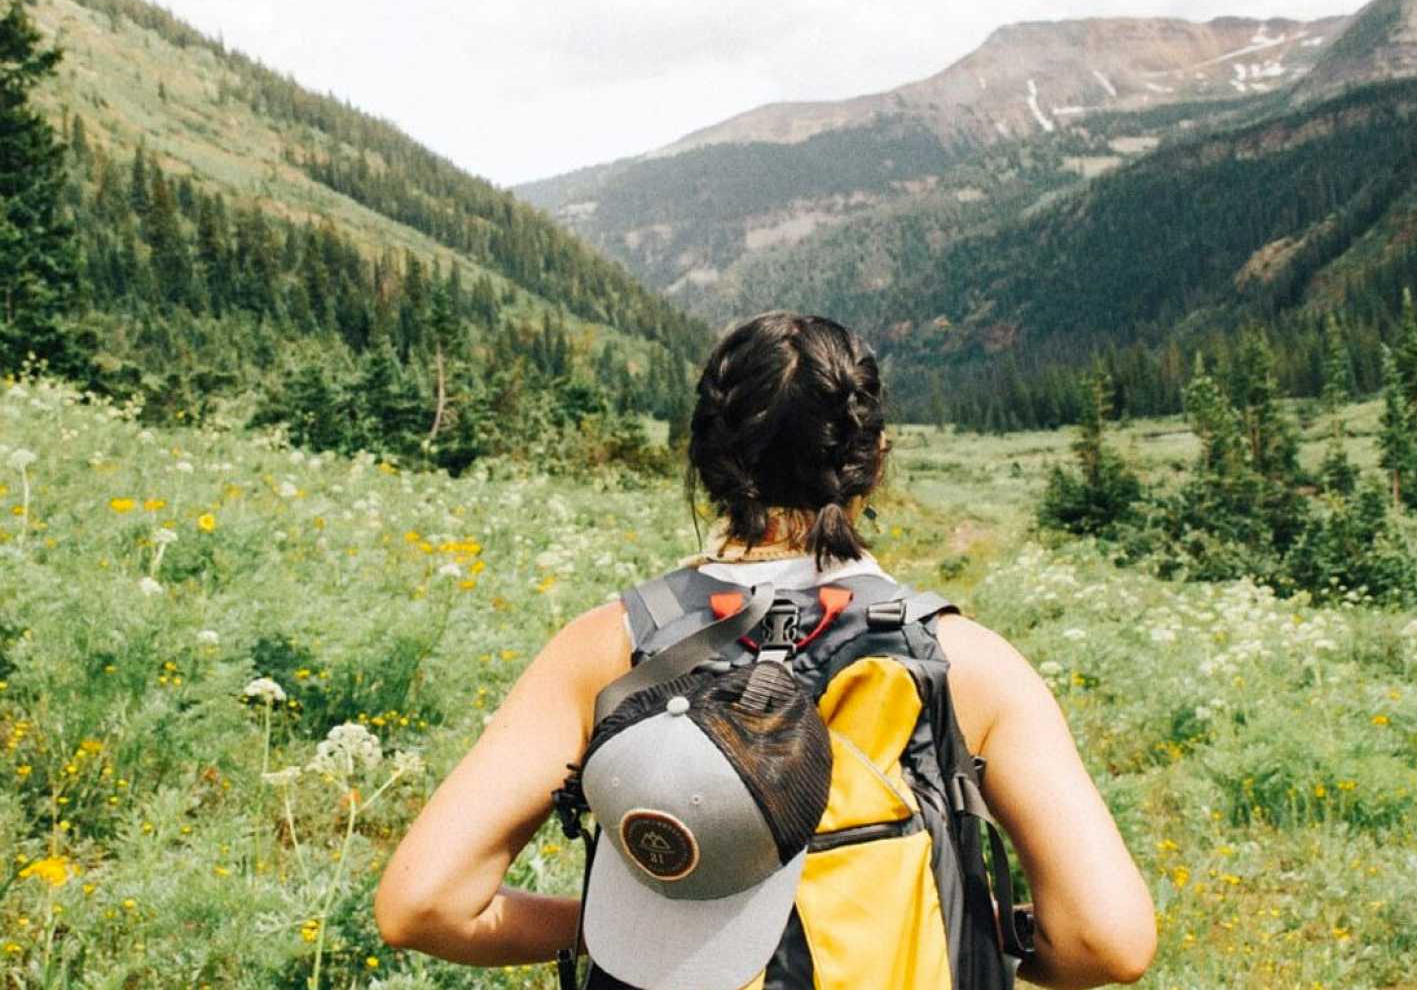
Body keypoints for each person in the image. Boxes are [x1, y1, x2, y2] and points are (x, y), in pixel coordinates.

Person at [375, 312, 1156, 987]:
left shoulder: (607, 647)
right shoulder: (964, 661)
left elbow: (425, 906)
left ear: (706, 462)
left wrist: (602, 930)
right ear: (874, 458)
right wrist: (976, 941)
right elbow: (1107, 941)